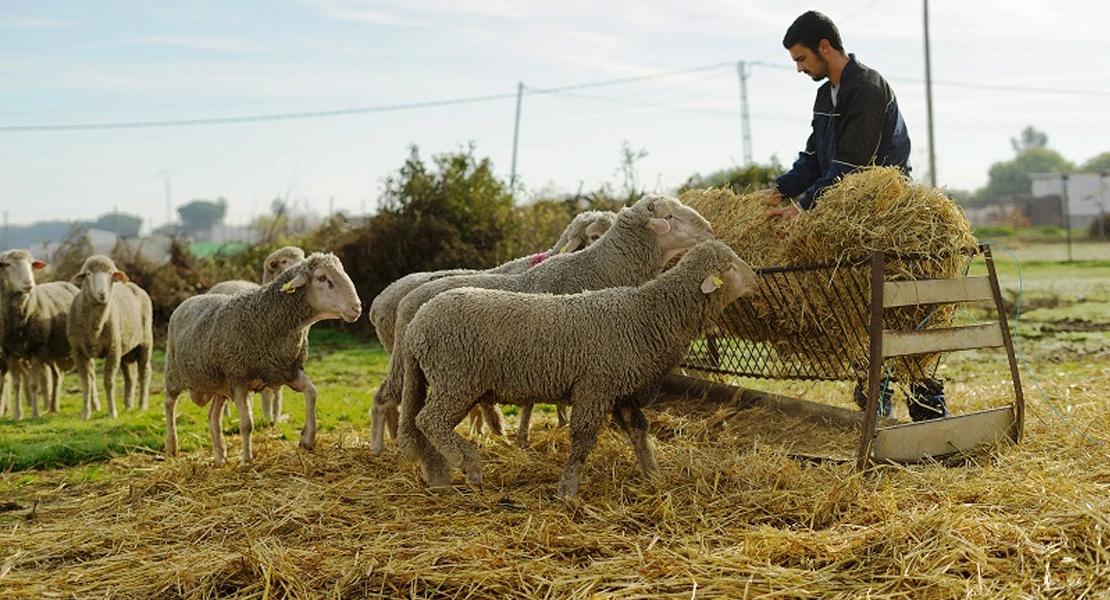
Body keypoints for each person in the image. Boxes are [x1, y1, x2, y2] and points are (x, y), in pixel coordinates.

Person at [767, 10, 947, 421]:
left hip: (885, 217)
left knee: (904, 316)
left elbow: (852, 165)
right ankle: (877, 415)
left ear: (824, 47)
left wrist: (804, 208)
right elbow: (814, 158)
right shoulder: (825, 96)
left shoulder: (866, 87)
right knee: (860, 315)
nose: (799, 69)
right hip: (847, 221)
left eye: (801, 59)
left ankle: (930, 418)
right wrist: (780, 189)